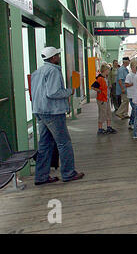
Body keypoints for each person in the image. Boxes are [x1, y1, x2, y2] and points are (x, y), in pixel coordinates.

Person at [31, 46, 84, 185]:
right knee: (64, 143)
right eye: (57, 55)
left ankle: (41, 177)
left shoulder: (37, 72)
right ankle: (68, 173)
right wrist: (69, 91)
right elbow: (53, 92)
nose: (59, 57)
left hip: (40, 111)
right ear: (53, 58)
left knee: (44, 144)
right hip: (53, 112)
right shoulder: (53, 71)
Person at [92, 64, 117, 135]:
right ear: (105, 70)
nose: (109, 72)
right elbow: (93, 87)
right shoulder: (100, 79)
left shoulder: (105, 78)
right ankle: (100, 129)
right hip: (102, 99)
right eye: (108, 70)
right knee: (102, 114)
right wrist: (100, 91)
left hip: (106, 98)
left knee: (108, 113)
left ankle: (108, 127)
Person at [125, 59, 137, 130]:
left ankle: (132, 122)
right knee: (135, 109)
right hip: (131, 96)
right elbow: (126, 84)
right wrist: (133, 84)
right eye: (135, 67)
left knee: (135, 109)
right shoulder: (129, 75)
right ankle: (132, 123)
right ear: (132, 67)